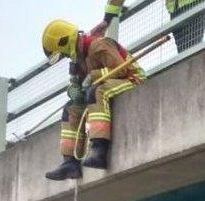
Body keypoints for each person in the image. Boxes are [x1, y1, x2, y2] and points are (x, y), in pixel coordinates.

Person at [42, 2, 146, 180]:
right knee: (70, 109)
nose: (65, 57)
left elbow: (121, 70)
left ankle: (99, 149)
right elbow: (76, 84)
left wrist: (94, 76)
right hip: (105, 83)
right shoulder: (78, 58)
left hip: (132, 79)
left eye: (61, 53)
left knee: (98, 91)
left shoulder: (98, 45)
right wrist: (73, 92)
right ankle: (70, 163)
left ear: (64, 42)